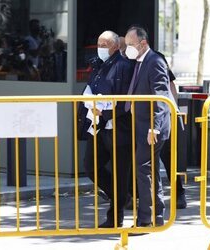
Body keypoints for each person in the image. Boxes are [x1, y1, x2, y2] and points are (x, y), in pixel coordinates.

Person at [80, 30, 134, 228]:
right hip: (98, 125)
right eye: (99, 44)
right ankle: (122, 197)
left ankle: (115, 217)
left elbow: (127, 99)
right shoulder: (98, 65)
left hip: (119, 127)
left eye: (104, 45)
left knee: (120, 172)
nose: (100, 49)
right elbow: (90, 88)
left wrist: (107, 111)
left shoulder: (125, 66)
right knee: (90, 166)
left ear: (115, 46)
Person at [124, 26, 170, 227]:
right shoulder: (141, 62)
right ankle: (157, 216)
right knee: (148, 170)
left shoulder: (154, 62)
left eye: (130, 45)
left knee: (143, 169)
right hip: (144, 126)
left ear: (143, 44)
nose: (127, 49)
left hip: (152, 127)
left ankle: (145, 219)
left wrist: (155, 127)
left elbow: (161, 96)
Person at [156, 52, 187, 209]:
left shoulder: (155, 58)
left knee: (168, 157)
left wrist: (174, 111)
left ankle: (179, 192)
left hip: (164, 115)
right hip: (143, 117)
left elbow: (171, 85)